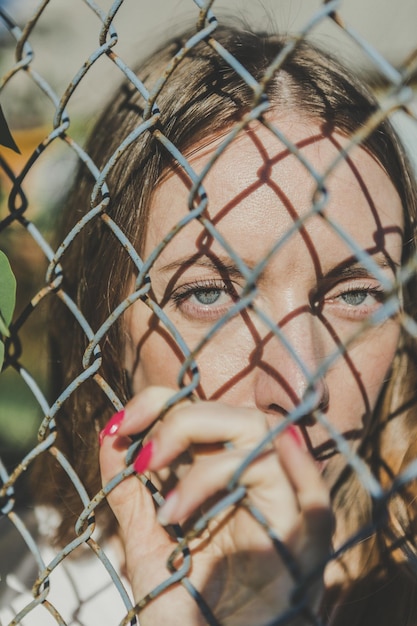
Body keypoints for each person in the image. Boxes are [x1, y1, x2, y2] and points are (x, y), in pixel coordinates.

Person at [3, 20, 417, 626]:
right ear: (107, 326)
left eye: (357, 294)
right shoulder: (25, 583)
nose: (301, 387)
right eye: (209, 293)